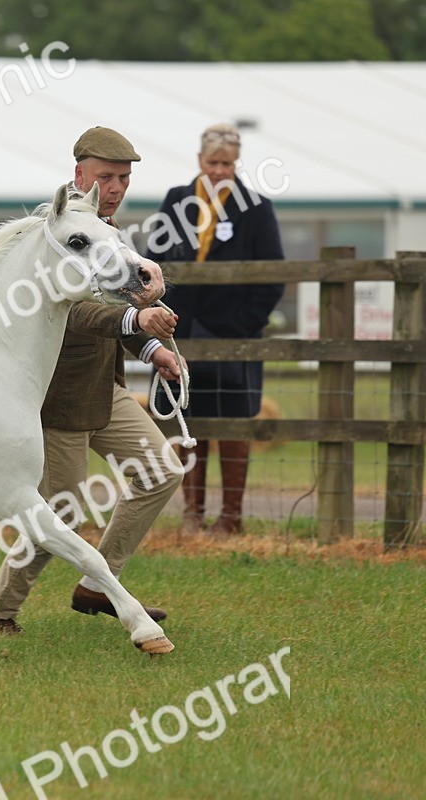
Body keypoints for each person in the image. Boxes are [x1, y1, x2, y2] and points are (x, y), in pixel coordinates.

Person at [0, 127, 186, 636]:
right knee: (59, 517)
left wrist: (153, 349)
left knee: (162, 471)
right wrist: (137, 323)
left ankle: (99, 583)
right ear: (79, 175)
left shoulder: (108, 233)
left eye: (124, 178)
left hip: (104, 391)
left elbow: (118, 300)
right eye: (107, 177)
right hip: (57, 398)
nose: (115, 187)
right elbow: (77, 310)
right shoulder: (55, 233)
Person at [147, 123, 285, 536]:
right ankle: (193, 512)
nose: (221, 170)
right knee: (189, 423)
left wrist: (241, 325)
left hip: (234, 335)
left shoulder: (255, 206)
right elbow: (154, 262)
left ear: (236, 163)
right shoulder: (177, 201)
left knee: (235, 423)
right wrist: (163, 317)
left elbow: (273, 276)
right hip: (180, 332)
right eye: (213, 163)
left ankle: (231, 517)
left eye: (228, 163)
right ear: (199, 161)